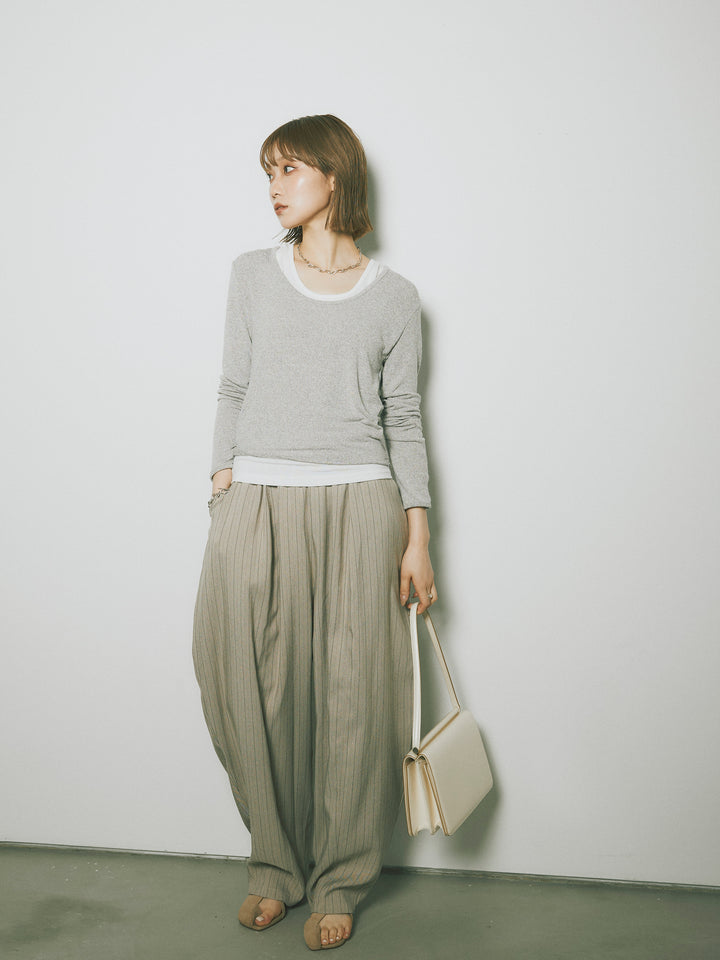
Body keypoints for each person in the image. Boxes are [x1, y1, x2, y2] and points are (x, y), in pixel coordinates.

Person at [192, 113, 436, 951]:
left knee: (353, 699)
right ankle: (275, 866)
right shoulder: (252, 275)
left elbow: (404, 419)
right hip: (258, 497)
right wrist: (222, 481)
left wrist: (418, 537)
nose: (274, 186)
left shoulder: (396, 298)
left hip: (361, 503)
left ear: (335, 176)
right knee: (243, 685)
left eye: (289, 168)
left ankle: (339, 879)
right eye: (269, 172)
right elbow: (232, 386)